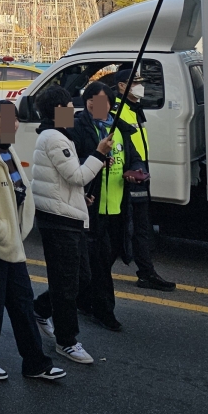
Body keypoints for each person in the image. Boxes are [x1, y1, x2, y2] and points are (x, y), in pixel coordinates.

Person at [0, 99, 65, 382]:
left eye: (15, 118)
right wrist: (3, 232)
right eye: (5, 119)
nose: (13, 124)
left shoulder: (7, 152)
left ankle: (34, 362)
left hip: (11, 245)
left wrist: (15, 233)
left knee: (22, 303)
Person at [29, 84, 112, 365]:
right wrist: (99, 154)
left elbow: (64, 182)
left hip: (66, 214)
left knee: (80, 278)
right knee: (67, 283)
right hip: (59, 221)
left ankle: (39, 308)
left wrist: (80, 197)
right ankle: (67, 341)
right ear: (58, 111)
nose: (72, 111)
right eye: (68, 107)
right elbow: (76, 176)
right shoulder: (54, 138)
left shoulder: (57, 135)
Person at [72, 81, 144, 333]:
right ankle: (105, 311)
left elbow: (135, 156)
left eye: (108, 103)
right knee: (100, 263)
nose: (103, 107)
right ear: (88, 101)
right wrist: (97, 156)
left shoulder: (119, 128)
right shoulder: (76, 126)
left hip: (118, 208)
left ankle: (82, 299)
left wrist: (135, 171)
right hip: (93, 207)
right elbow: (70, 162)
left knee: (105, 259)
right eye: (98, 102)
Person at [110, 69, 176, 291]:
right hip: (127, 176)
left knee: (139, 227)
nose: (141, 86)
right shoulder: (116, 109)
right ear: (121, 86)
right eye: (136, 82)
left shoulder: (133, 108)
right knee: (136, 227)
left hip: (139, 173)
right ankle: (145, 273)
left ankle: (145, 272)